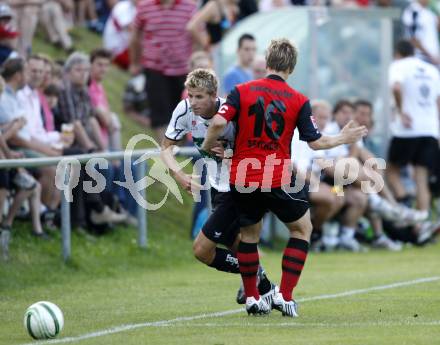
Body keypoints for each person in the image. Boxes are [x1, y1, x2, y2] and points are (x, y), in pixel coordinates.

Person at [202, 38, 368, 316]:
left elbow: (219, 122)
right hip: (277, 175)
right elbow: (315, 142)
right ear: (291, 67)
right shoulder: (299, 100)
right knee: (302, 229)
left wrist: (207, 146)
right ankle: (286, 296)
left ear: (267, 62)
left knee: (249, 236)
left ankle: (254, 297)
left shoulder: (241, 91)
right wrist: (343, 137)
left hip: (243, 175)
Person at [160, 68, 277, 305]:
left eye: (199, 97)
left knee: (202, 250)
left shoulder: (232, 113)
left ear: (214, 95)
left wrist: (232, 154)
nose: (193, 102)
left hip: (240, 187)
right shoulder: (184, 109)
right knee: (234, 242)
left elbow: (260, 151)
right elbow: (165, 147)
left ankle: (253, 276)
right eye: (190, 95)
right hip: (217, 187)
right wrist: (179, 175)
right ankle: (265, 287)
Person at [387, 40, 440, 219]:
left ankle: (405, 204)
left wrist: (402, 111)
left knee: (391, 171)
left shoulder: (398, 65)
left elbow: (396, 87)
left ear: (397, 53)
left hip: (407, 129)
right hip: (430, 129)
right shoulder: (431, 70)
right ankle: (423, 221)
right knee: (421, 178)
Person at [130, 0, 196, 141]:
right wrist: (134, 62)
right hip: (155, 68)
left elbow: (197, 35)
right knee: (160, 115)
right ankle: (166, 152)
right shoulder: (145, 7)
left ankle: (181, 152)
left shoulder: (189, 7)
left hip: (183, 70)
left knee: (184, 114)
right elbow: (135, 36)